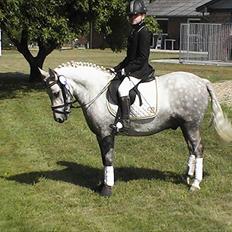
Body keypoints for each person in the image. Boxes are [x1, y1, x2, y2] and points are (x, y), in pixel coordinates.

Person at [110, 0, 154, 132]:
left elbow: (142, 58)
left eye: (136, 15)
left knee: (123, 89)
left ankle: (125, 121)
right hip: (133, 68)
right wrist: (116, 68)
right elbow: (129, 58)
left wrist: (125, 71)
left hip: (141, 70)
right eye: (131, 15)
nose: (133, 18)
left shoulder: (144, 32)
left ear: (143, 15)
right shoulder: (134, 32)